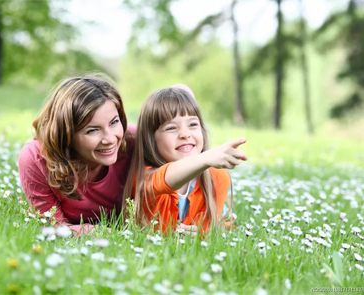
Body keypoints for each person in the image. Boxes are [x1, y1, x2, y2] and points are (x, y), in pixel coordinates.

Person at [18, 73, 135, 235]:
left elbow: (176, 107)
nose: (109, 139)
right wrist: (97, 232)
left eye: (114, 122)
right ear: (67, 134)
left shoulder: (133, 141)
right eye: (93, 130)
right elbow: (52, 226)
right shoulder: (36, 157)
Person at [123, 86, 247, 235]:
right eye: (171, 128)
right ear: (151, 140)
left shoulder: (217, 178)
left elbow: (206, 231)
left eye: (193, 124)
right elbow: (165, 179)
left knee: (224, 225)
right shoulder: (145, 178)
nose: (184, 134)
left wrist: (201, 235)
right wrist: (206, 158)